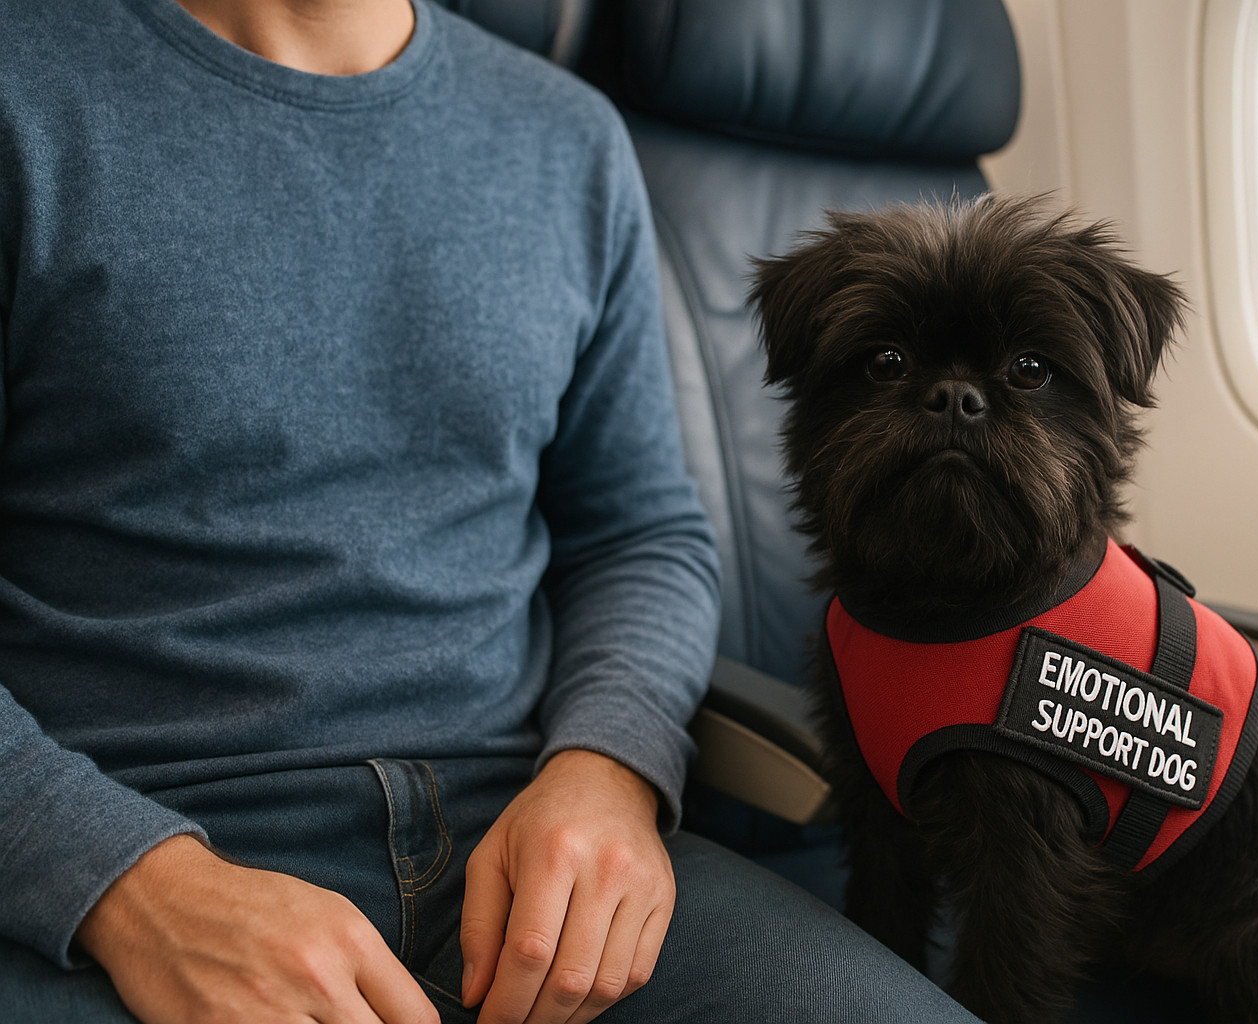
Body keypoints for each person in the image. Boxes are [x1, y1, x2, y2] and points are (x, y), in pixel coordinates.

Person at [0, 0, 986, 1022]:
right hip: (132, 856)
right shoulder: (25, 82)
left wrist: (611, 767)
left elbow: (638, 531)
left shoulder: (567, 139)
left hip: (525, 840)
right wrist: (133, 888)